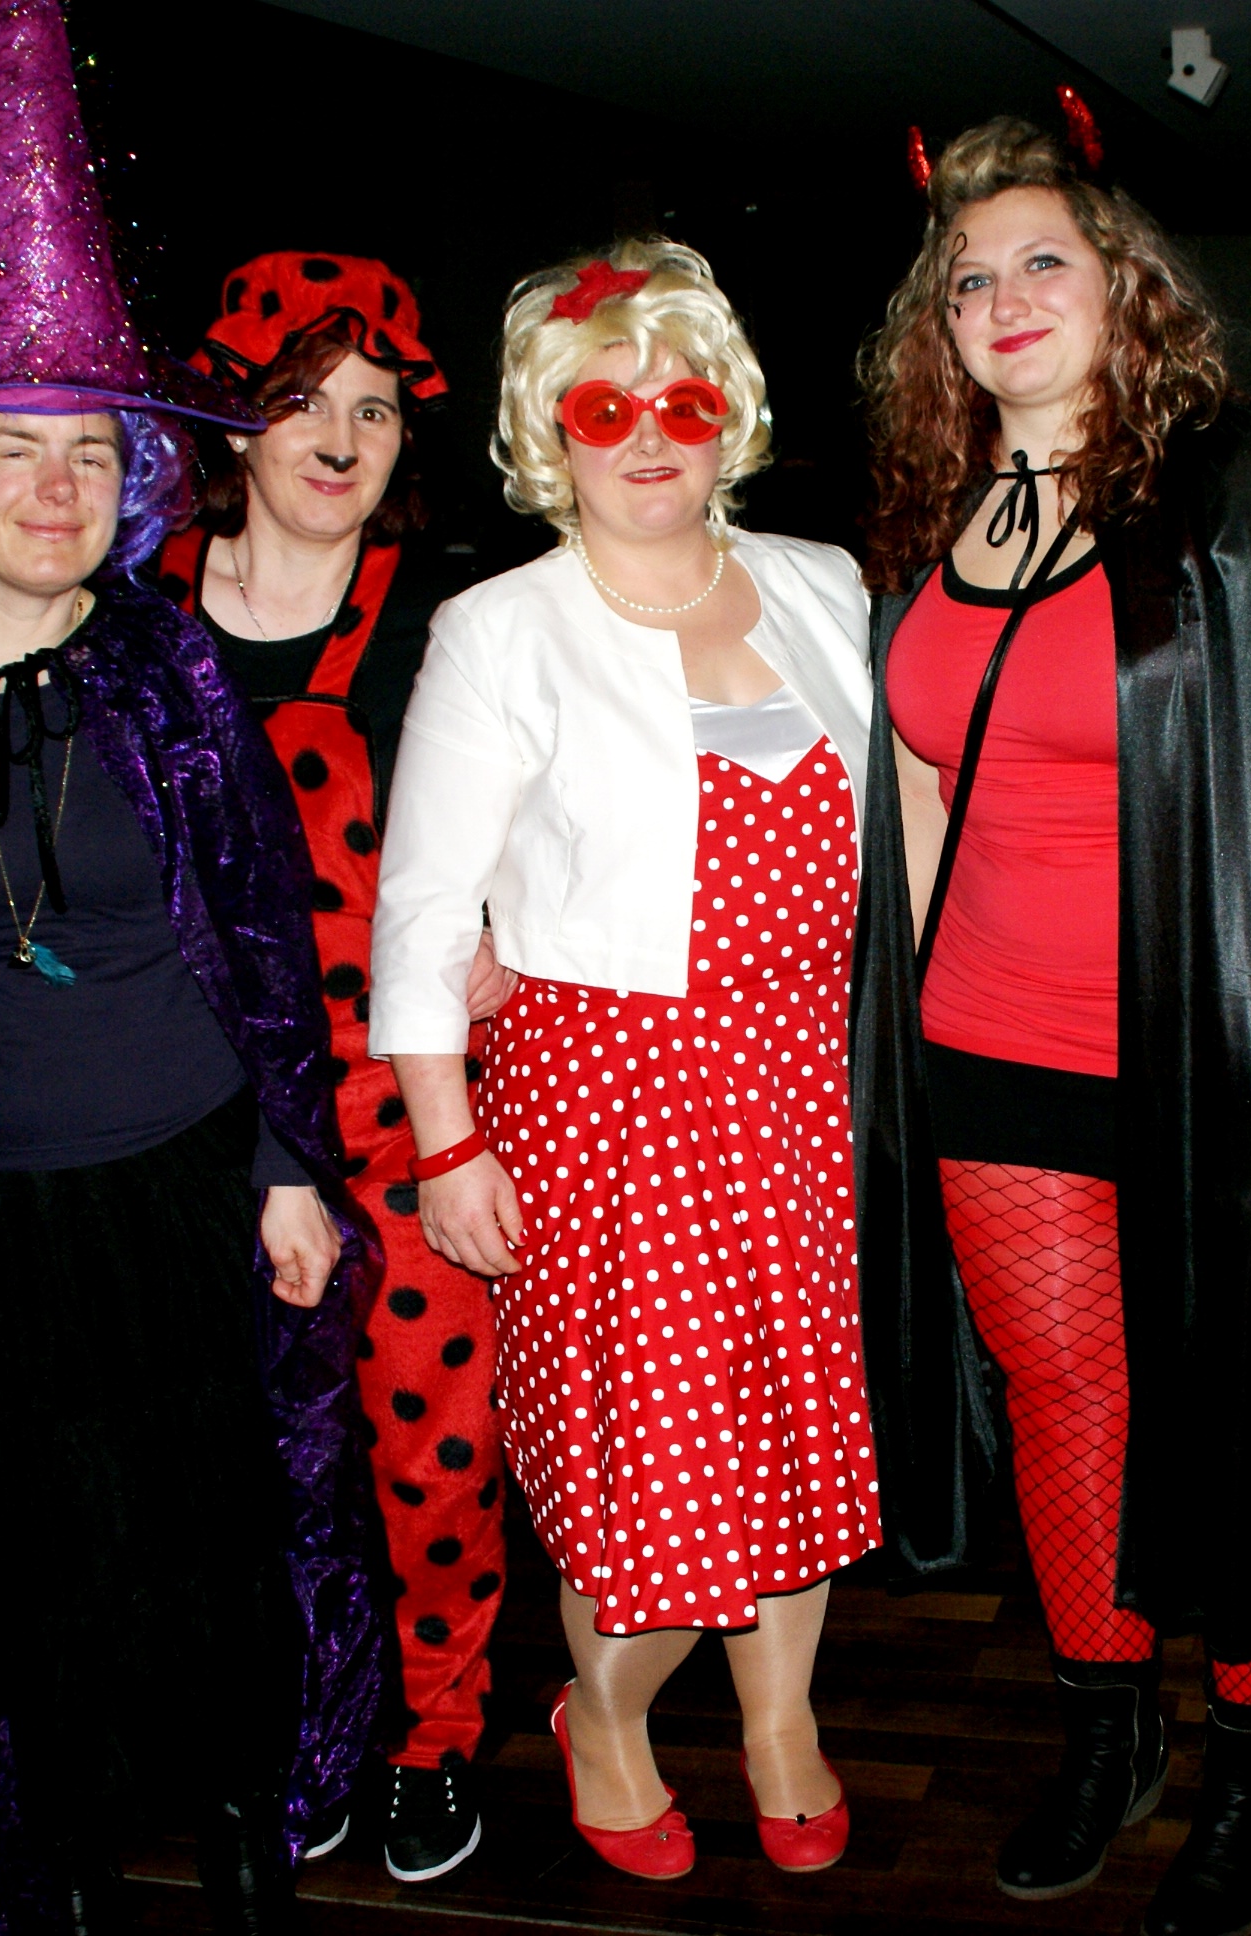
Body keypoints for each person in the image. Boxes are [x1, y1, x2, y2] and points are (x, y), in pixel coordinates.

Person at [0, 5, 381, 1926]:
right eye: (17, 452)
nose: (59, 488)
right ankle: (64, 1870)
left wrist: (283, 1164)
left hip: (184, 1187)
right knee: (29, 1567)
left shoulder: (172, 671)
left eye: (94, 453)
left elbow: (262, 939)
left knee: (221, 1538)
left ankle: (251, 1834)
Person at [853, 110, 1251, 1936]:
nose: (1006, 298)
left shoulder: (1229, 492)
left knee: (1246, 1402)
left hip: (1208, 1057)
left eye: (1045, 262)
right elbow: (919, 782)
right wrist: (902, 1027)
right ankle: (1111, 1723)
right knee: (1065, 1399)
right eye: (970, 279)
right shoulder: (938, 507)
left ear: (1126, 290)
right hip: (988, 1044)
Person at [367, 238, 878, 1882]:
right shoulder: (498, 628)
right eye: (602, 408)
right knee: (652, 1463)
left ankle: (781, 1723)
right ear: (550, 434)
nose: (648, 435)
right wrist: (448, 1141)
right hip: (609, 1101)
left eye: (682, 401)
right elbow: (424, 906)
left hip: (802, 1085)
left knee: (794, 1430)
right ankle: (606, 1715)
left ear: (731, 416)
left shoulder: (824, 582)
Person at [154, 252, 510, 1886]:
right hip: (183, 1126)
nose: (341, 439)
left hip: (398, 1115)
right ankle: (299, 1719)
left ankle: (437, 1734)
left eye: (375, 410)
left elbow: (563, 813)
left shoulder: (450, 619)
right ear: (236, 419)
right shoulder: (130, 611)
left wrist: (512, 936)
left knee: (433, 1456)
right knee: (234, 1462)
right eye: (306, 400)